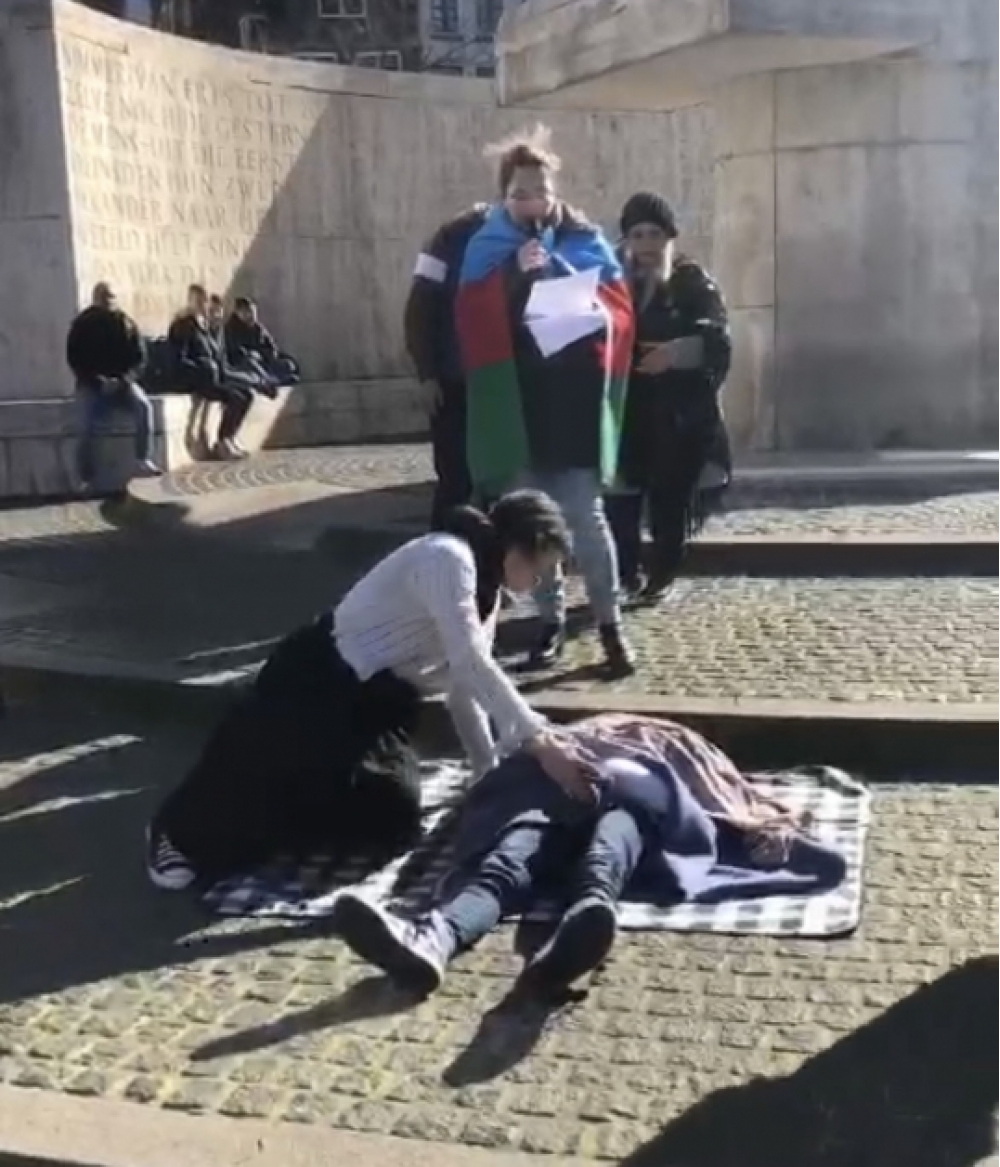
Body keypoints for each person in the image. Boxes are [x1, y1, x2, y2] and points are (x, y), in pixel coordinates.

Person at [145, 491, 599, 891]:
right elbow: (471, 662)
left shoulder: (487, 590)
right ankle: (176, 835)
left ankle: (296, 811)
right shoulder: (447, 558)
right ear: (517, 548)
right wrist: (539, 741)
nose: (536, 584)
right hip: (317, 682)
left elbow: (465, 686)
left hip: (379, 703)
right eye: (538, 569)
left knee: (392, 816)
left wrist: (485, 773)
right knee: (264, 775)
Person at [332, 712, 847, 996]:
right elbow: (522, 758)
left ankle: (572, 937)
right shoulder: (567, 740)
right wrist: (560, 764)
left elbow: (725, 798)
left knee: (605, 848)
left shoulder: (677, 746)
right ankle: (435, 939)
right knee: (511, 856)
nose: (626, 730)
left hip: (628, 811)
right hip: (553, 800)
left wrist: (773, 831)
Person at [454, 126, 636, 677]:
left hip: (573, 403)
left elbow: (620, 310)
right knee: (534, 524)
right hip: (518, 407)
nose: (532, 202)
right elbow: (469, 319)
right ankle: (549, 622)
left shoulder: (585, 239)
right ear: (504, 197)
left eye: (540, 191)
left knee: (585, 518)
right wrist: (514, 275)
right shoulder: (486, 247)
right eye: (520, 194)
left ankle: (610, 625)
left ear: (555, 193)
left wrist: (582, 297)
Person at [605, 193, 732, 600]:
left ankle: (661, 574)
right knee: (619, 500)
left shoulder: (692, 282)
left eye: (654, 234)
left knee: (669, 501)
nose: (646, 245)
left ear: (669, 238)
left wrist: (676, 354)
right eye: (638, 235)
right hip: (627, 410)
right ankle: (625, 575)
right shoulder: (612, 284)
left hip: (677, 414)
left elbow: (717, 339)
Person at [404, 204, 489, 530]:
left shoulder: (530, 235)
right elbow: (419, 308)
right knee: (455, 478)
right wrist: (427, 373)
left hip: (497, 382)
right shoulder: (449, 238)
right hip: (455, 382)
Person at [65, 282, 161, 489]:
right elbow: (75, 358)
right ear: (95, 299)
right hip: (92, 385)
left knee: (143, 406)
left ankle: (142, 459)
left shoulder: (126, 323)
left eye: (110, 297)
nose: (107, 301)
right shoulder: (82, 325)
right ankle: (85, 477)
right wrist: (98, 381)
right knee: (84, 423)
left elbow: (140, 359)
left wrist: (124, 380)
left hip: (122, 383)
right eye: (103, 297)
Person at [168, 284, 254, 460]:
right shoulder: (183, 326)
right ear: (190, 301)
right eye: (198, 301)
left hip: (211, 377)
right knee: (235, 398)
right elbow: (179, 358)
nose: (202, 305)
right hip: (195, 379)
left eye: (204, 301)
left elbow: (215, 354)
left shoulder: (204, 326)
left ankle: (229, 437)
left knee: (247, 394)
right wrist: (201, 368)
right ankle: (222, 442)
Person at [224, 296, 301, 388]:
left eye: (253, 312)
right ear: (238, 313)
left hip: (263, 361)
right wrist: (253, 354)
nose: (251, 315)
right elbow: (236, 352)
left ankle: (274, 379)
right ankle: (269, 380)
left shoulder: (258, 328)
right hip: (244, 364)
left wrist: (267, 354)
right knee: (250, 363)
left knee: (289, 364)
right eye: (248, 312)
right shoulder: (231, 329)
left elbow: (271, 346)